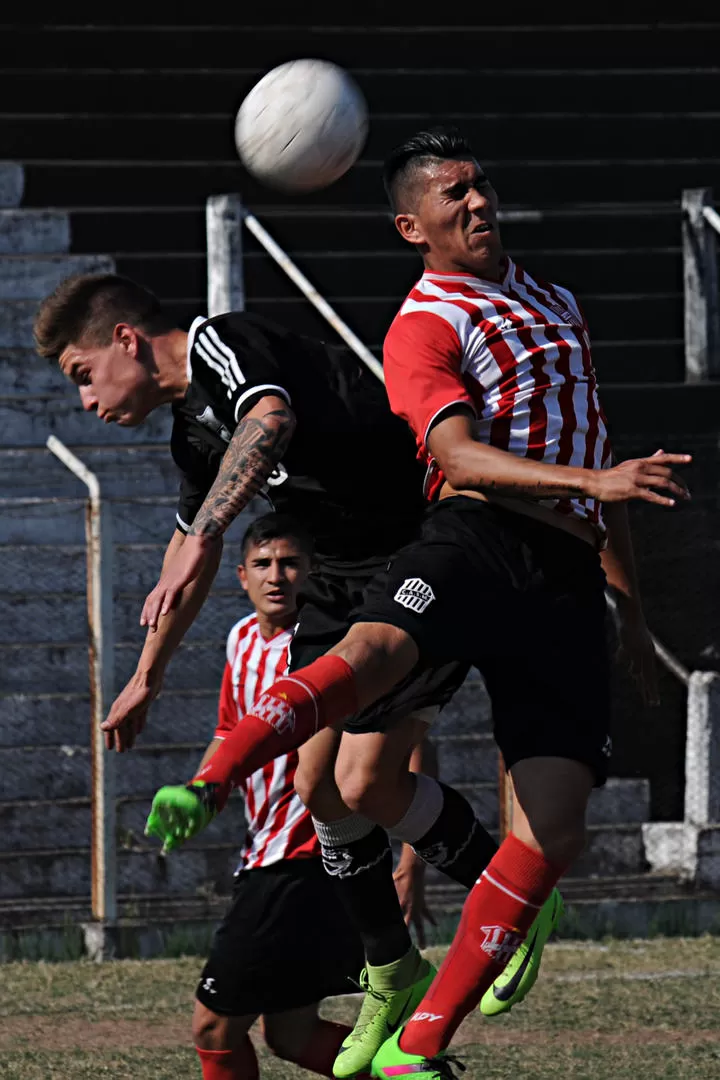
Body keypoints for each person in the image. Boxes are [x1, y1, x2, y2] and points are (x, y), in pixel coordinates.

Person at [145, 127, 692, 1078]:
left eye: (482, 187)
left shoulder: (557, 303)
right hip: (475, 537)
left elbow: (604, 465)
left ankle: (422, 1041)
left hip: (564, 580)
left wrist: (632, 613)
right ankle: (217, 776)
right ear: (412, 226)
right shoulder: (424, 321)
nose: (478, 204)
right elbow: (454, 457)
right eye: (453, 196)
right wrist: (594, 483)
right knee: (357, 697)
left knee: (555, 831)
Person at [34, 275, 545, 1080]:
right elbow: (188, 561)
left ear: (126, 339)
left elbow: (269, 418)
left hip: (415, 551)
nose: (88, 402)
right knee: (328, 784)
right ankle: (393, 965)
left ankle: (517, 898)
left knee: (362, 779)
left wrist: (206, 534)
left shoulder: (222, 343)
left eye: (83, 374)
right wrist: (147, 676)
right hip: (337, 583)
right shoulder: (189, 437)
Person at [188, 511, 371, 1080]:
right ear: (240, 575)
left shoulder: (332, 646)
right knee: (290, 1032)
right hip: (263, 850)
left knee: (214, 1028)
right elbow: (227, 730)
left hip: (300, 858)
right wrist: (201, 791)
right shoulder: (240, 637)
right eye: (263, 564)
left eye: (291, 563)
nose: (277, 576)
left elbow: (400, 743)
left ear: (314, 573)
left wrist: (408, 865)